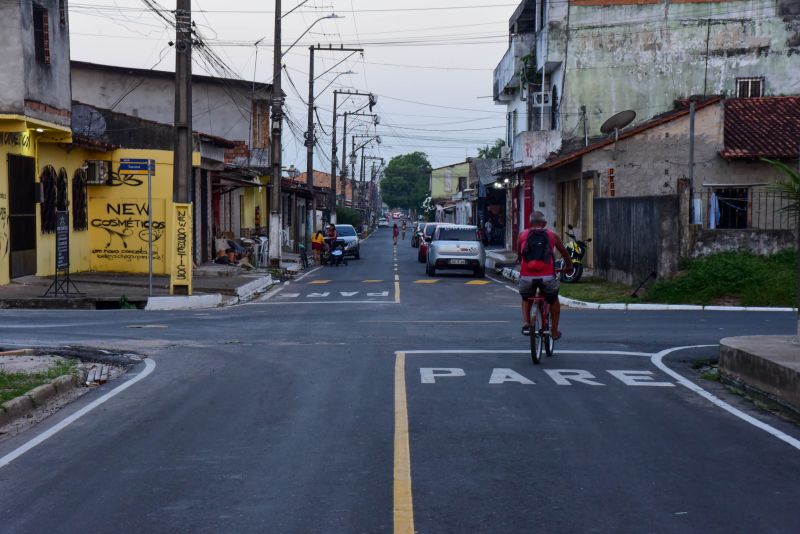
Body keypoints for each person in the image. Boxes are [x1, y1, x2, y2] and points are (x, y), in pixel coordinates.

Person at [517, 211, 573, 340]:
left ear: (529, 223)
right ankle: (554, 331)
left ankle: (526, 322)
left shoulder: (522, 235)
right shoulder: (552, 235)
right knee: (553, 299)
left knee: (526, 297)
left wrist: (525, 268)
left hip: (527, 277)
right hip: (547, 277)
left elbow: (519, 255)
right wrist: (569, 266)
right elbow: (564, 253)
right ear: (545, 224)